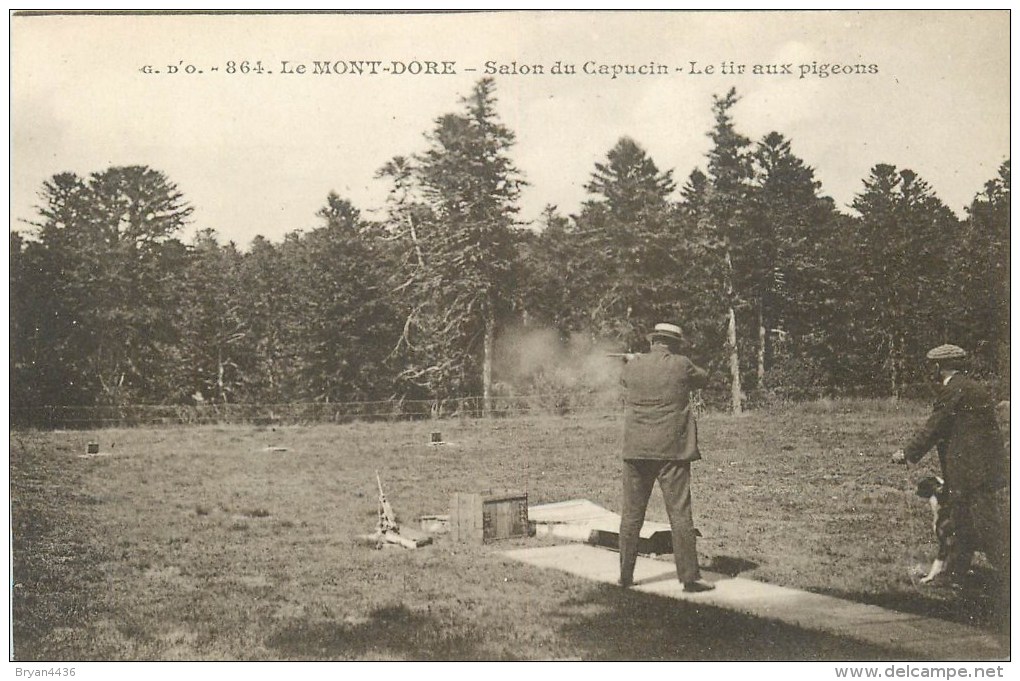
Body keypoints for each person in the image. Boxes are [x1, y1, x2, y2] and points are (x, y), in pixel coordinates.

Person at [892, 344, 1009, 584]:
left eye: (932, 366)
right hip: (977, 471)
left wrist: (907, 452)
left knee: (987, 529)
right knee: (962, 523)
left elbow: (935, 426)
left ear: (939, 367)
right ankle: (954, 574)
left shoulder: (954, 390)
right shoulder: (971, 388)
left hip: (972, 473)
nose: (931, 371)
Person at [618, 322, 714, 593]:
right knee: (680, 515)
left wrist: (633, 360)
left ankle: (625, 576)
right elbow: (703, 378)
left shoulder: (633, 366)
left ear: (653, 341)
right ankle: (689, 578)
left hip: (636, 450)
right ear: (674, 344)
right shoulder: (682, 364)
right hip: (672, 451)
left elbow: (623, 379)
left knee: (631, 516)